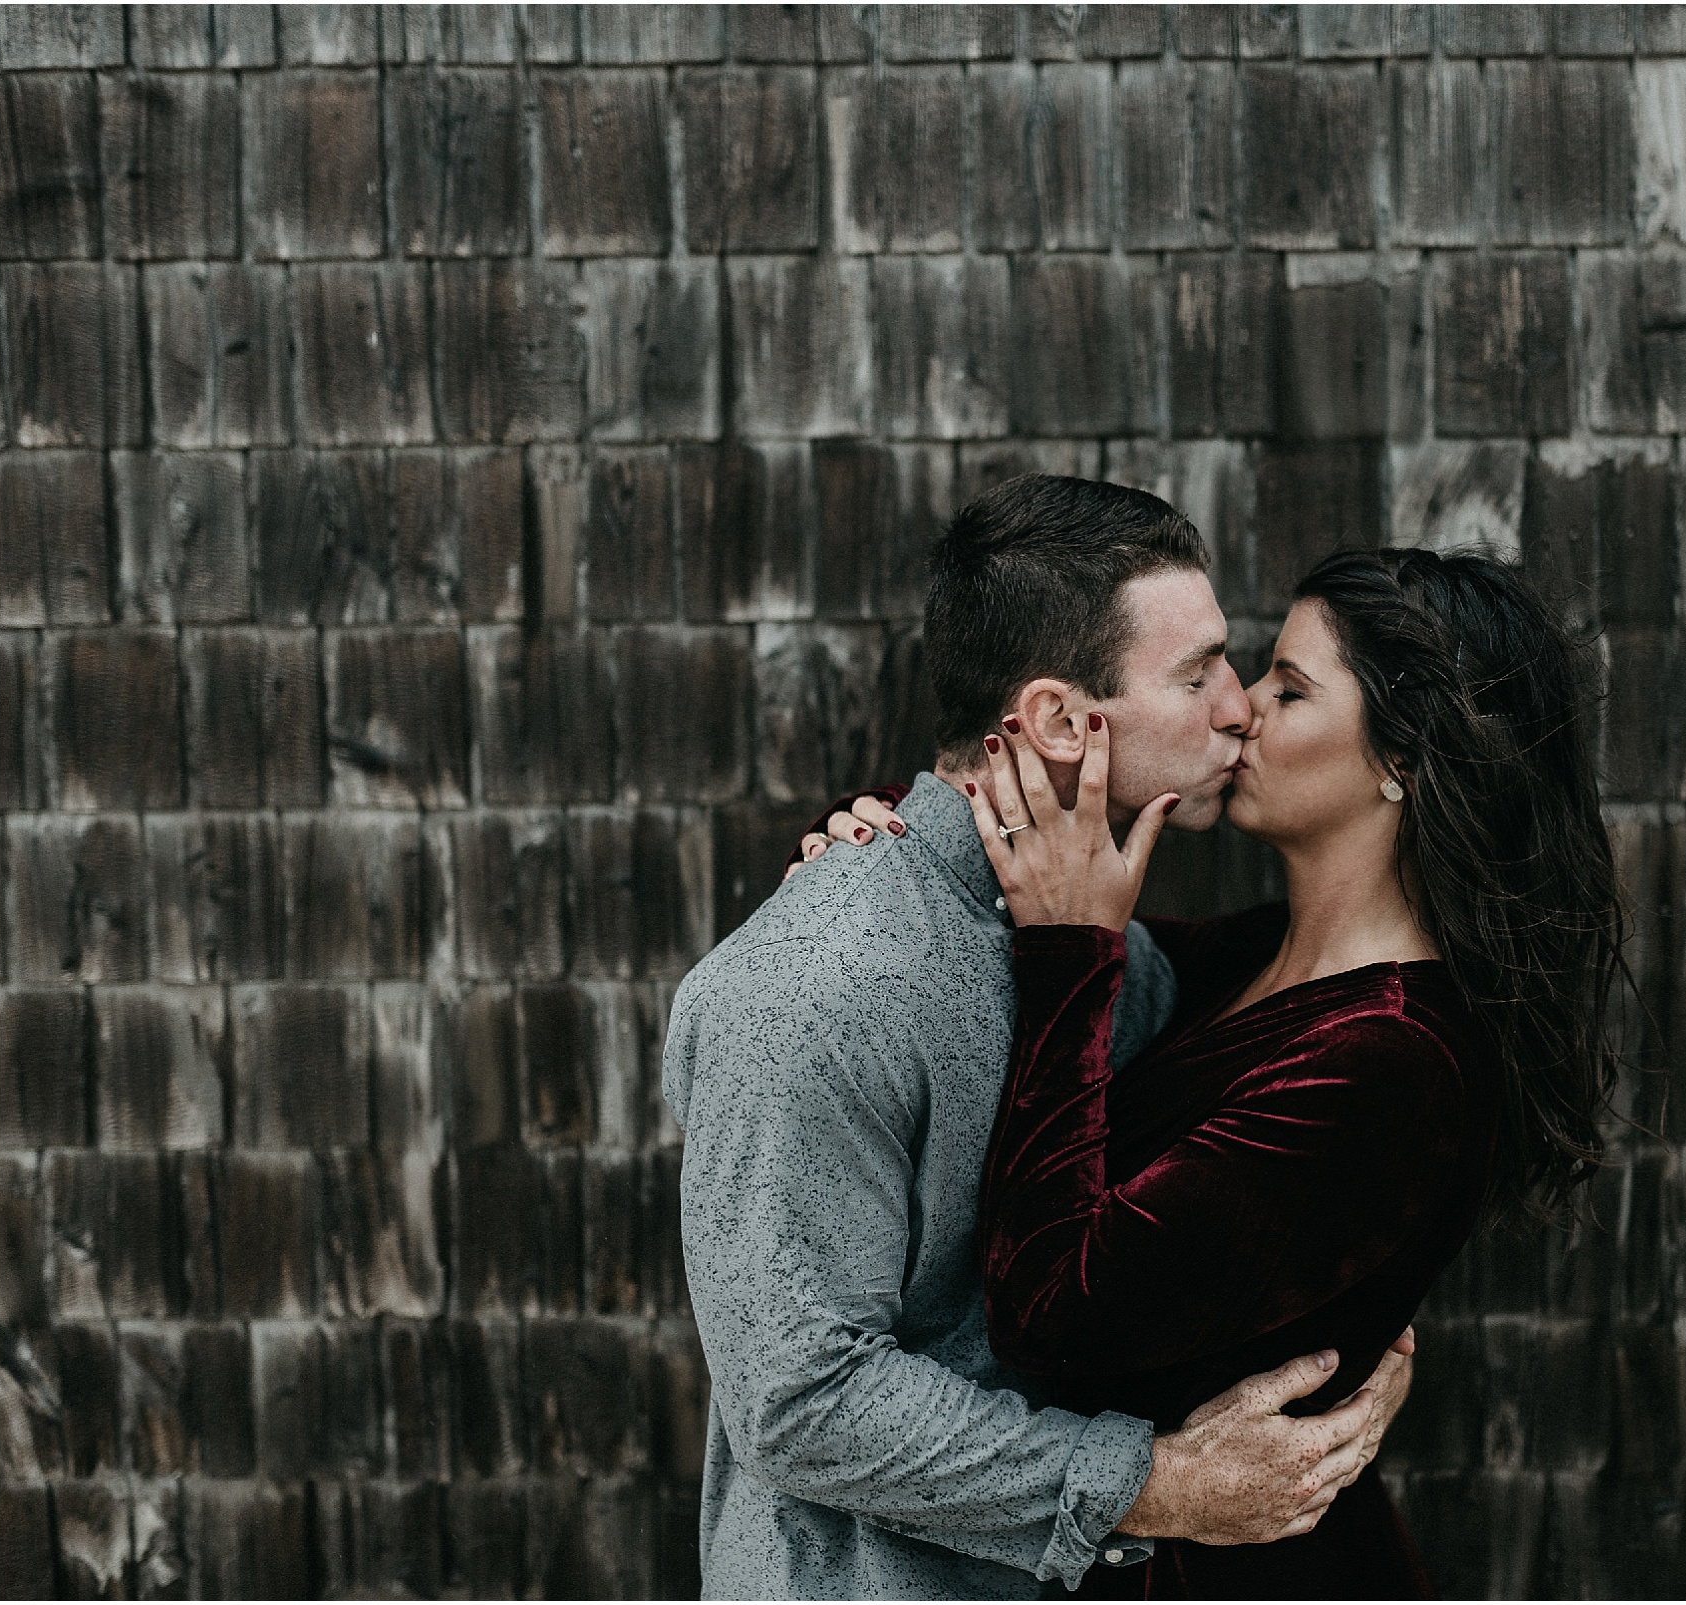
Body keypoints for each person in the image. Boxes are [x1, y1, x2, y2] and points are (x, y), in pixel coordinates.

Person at [807, 546, 1635, 1597]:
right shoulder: (1254, 959)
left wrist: (1070, 951)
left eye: (1289, 689)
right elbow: (1035, 925)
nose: (1240, 708)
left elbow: (1054, 1317)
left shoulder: (1399, 1060)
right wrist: (892, 836)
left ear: (1405, 759)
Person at [662, 475, 1415, 1601]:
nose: (1236, 707)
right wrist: (1156, 1486)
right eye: (1198, 670)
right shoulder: (809, 990)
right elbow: (802, 1400)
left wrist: (1370, 1337)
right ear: (1062, 720)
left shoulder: (1108, 950)